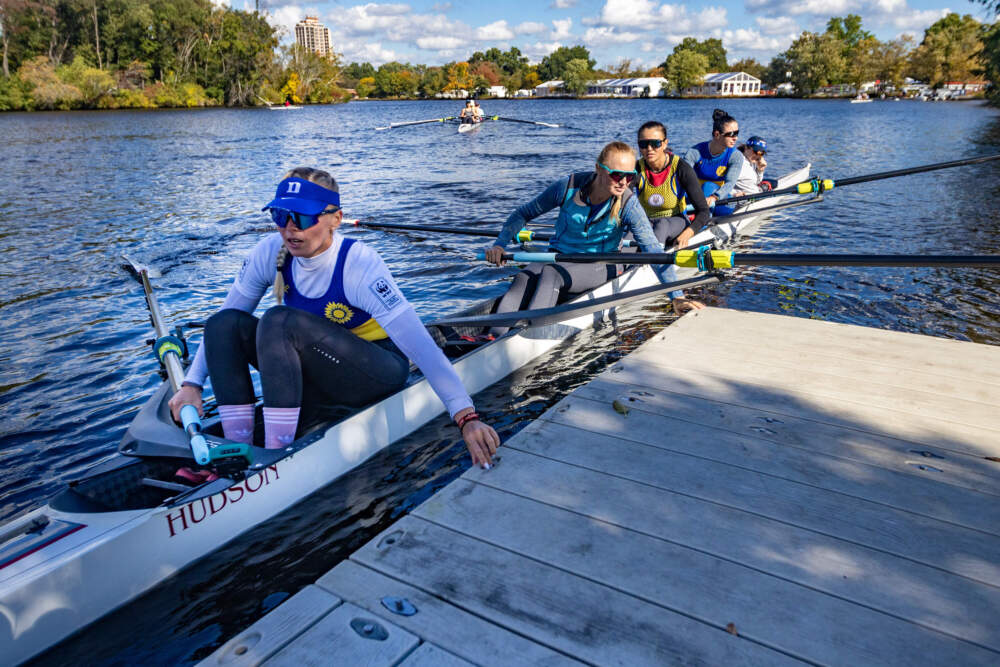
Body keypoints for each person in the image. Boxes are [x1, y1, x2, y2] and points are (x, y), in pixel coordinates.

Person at [168, 167, 500, 468]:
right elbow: (227, 321)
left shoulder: (359, 265)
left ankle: (272, 459)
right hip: (321, 365)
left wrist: (466, 417)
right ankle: (233, 452)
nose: (289, 228)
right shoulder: (269, 252)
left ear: (335, 219)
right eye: (280, 215)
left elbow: (422, 348)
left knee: (278, 321)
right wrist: (192, 385)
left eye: (302, 217)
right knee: (224, 323)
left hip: (378, 369)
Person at [484, 141, 704, 336]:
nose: (624, 182)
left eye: (630, 177)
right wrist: (499, 245)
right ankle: (493, 336)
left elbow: (653, 251)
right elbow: (522, 214)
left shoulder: (628, 203)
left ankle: (525, 337)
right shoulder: (568, 187)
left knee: (550, 274)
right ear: (598, 168)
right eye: (617, 175)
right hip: (560, 256)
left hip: (602, 263)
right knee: (525, 276)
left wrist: (676, 296)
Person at [634, 121, 712, 250]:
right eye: (643, 144)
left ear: (665, 143)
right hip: (647, 222)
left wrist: (688, 234)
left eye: (655, 143)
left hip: (676, 220)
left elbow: (704, 211)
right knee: (630, 233)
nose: (649, 149)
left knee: (662, 224)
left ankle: (653, 258)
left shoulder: (681, 168)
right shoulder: (636, 169)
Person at [682, 109, 746, 216]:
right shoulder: (695, 152)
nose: (736, 138)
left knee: (708, 186)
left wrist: (714, 197)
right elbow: (682, 178)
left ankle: (702, 219)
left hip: (721, 201)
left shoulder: (735, 156)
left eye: (737, 133)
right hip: (696, 198)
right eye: (731, 134)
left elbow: (730, 183)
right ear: (717, 134)